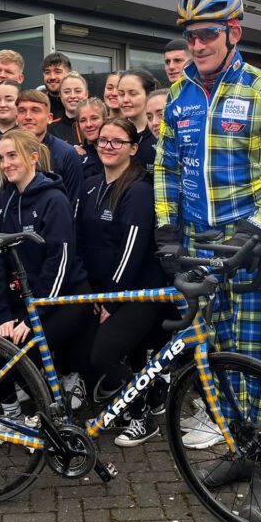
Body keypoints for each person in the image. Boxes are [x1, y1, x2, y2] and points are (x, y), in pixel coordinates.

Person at [155, 0, 261, 522]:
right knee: (212, 361)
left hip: (248, 248)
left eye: (207, 34)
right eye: (190, 35)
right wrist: (167, 230)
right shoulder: (178, 96)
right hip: (197, 248)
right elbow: (167, 167)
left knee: (252, 363)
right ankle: (241, 451)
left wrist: (255, 227)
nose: (197, 44)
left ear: (233, 33)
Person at [0, 129, 95, 428]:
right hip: (26, 301)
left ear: (33, 157)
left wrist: (32, 316)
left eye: (13, 155)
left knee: (24, 351)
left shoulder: (53, 200)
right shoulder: (2, 202)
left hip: (64, 298)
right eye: (1, 157)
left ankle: (54, 414)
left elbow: (59, 264)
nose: (6, 163)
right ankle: (12, 417)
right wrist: (2, 313)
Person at [77, 118, 169, 446]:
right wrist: (92, 294)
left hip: (141, 293)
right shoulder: (91, 185)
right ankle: (142, 398)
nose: (108, 146)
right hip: (104, 292)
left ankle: (142, 417)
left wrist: (111, 301)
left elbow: (132, 253)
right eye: (103, 140)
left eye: (117, 141)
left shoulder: (138, 191)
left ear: (133, 148)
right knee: (96, 350)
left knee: (103, 353)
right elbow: (82, 243)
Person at [16, 89, 84, 207]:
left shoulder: (66, 154)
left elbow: (73, 204)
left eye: (35, 111)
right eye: (22, 111)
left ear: (49, 118)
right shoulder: (7, 152)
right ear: (16, 118)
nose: (28, 117)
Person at [117, 68, 159, 174]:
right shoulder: (114, 132)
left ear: (149, 94)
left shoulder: (159, 133)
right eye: (121, 94)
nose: (125, 99)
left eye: (133, 94)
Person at [48, 71, 87, 145]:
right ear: (60, 96)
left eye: (78, 91)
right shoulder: (50, 129)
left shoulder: (97, 126)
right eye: (67, 92)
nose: (72, 96)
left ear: (86, 94)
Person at [75, 97, 108, 179]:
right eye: (83, 120)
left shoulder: (120, 150)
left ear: (105, 120)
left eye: (94, 118)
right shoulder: (76, 155)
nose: (88, 124)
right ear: (78, 125)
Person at [41, 52, 72, 121]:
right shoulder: (38, 106)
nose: (52, 77)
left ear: (69, 75)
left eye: (57, 72)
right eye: (47, 72)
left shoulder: (81, 106)